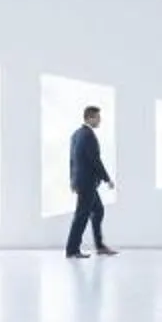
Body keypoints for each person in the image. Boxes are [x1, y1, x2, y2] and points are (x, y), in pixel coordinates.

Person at [64, 104, 116, 258]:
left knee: (98, 210)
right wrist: (107, 179)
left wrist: (72, 181)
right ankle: (72, 250)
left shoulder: (75, 134)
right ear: (89, 118)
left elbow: (72, 161)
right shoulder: (88, 135)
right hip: (87, 183)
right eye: (98, 118)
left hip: (82, 182)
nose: (100, 121)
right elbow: (95, 160)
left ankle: (99, 246)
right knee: (81, 215)